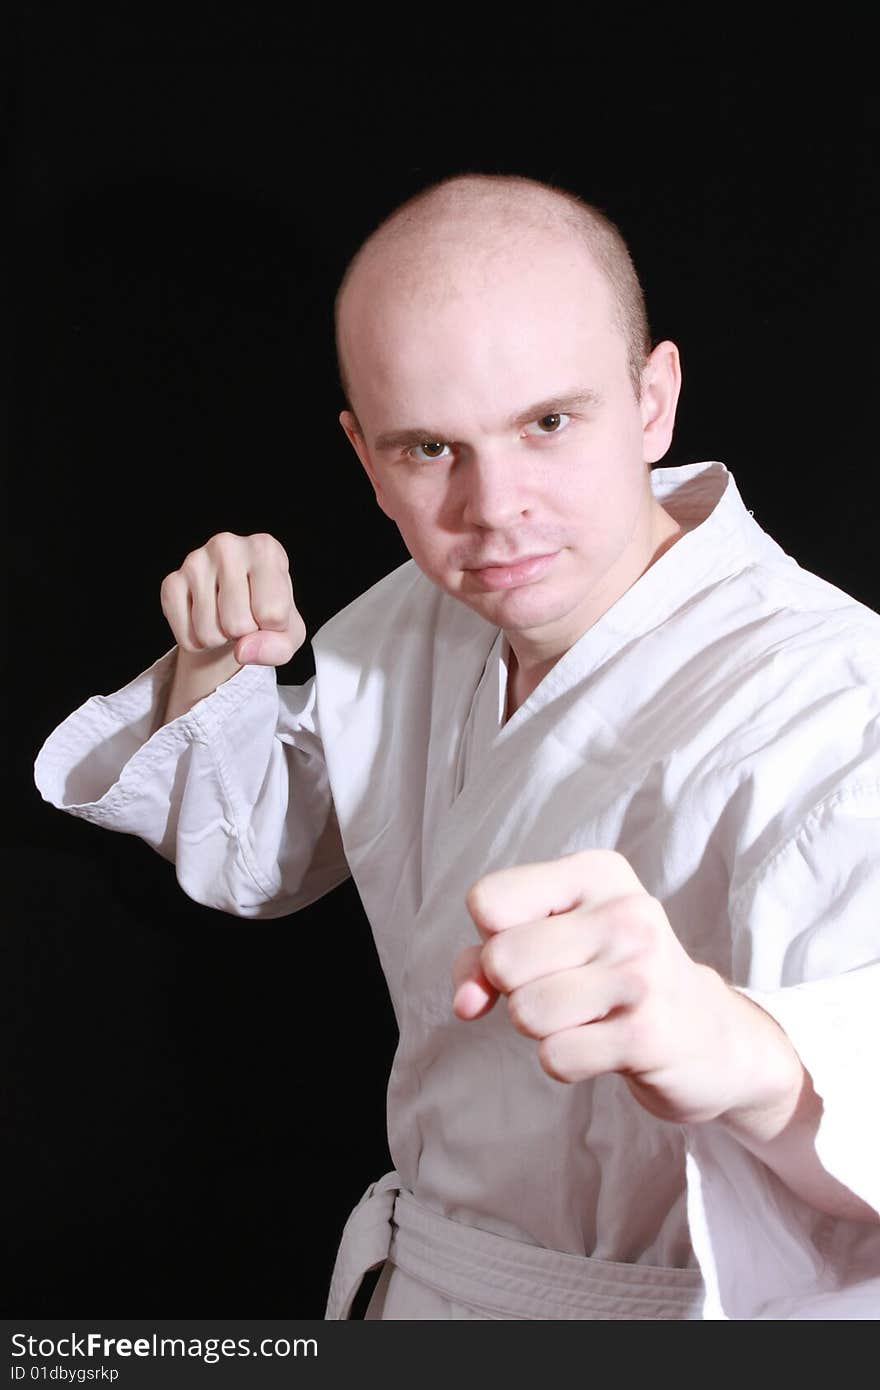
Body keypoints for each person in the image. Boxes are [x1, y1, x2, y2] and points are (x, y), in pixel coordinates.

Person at [34, 172, 880, 1320]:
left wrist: (751, 1055)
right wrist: (217, 666)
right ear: (365, 456)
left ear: (652, 400)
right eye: (430, 448)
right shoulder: (421, 618)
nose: (495, 508)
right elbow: (258, 856)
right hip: (416, 1285)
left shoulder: (833, 703)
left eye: (548, 422)